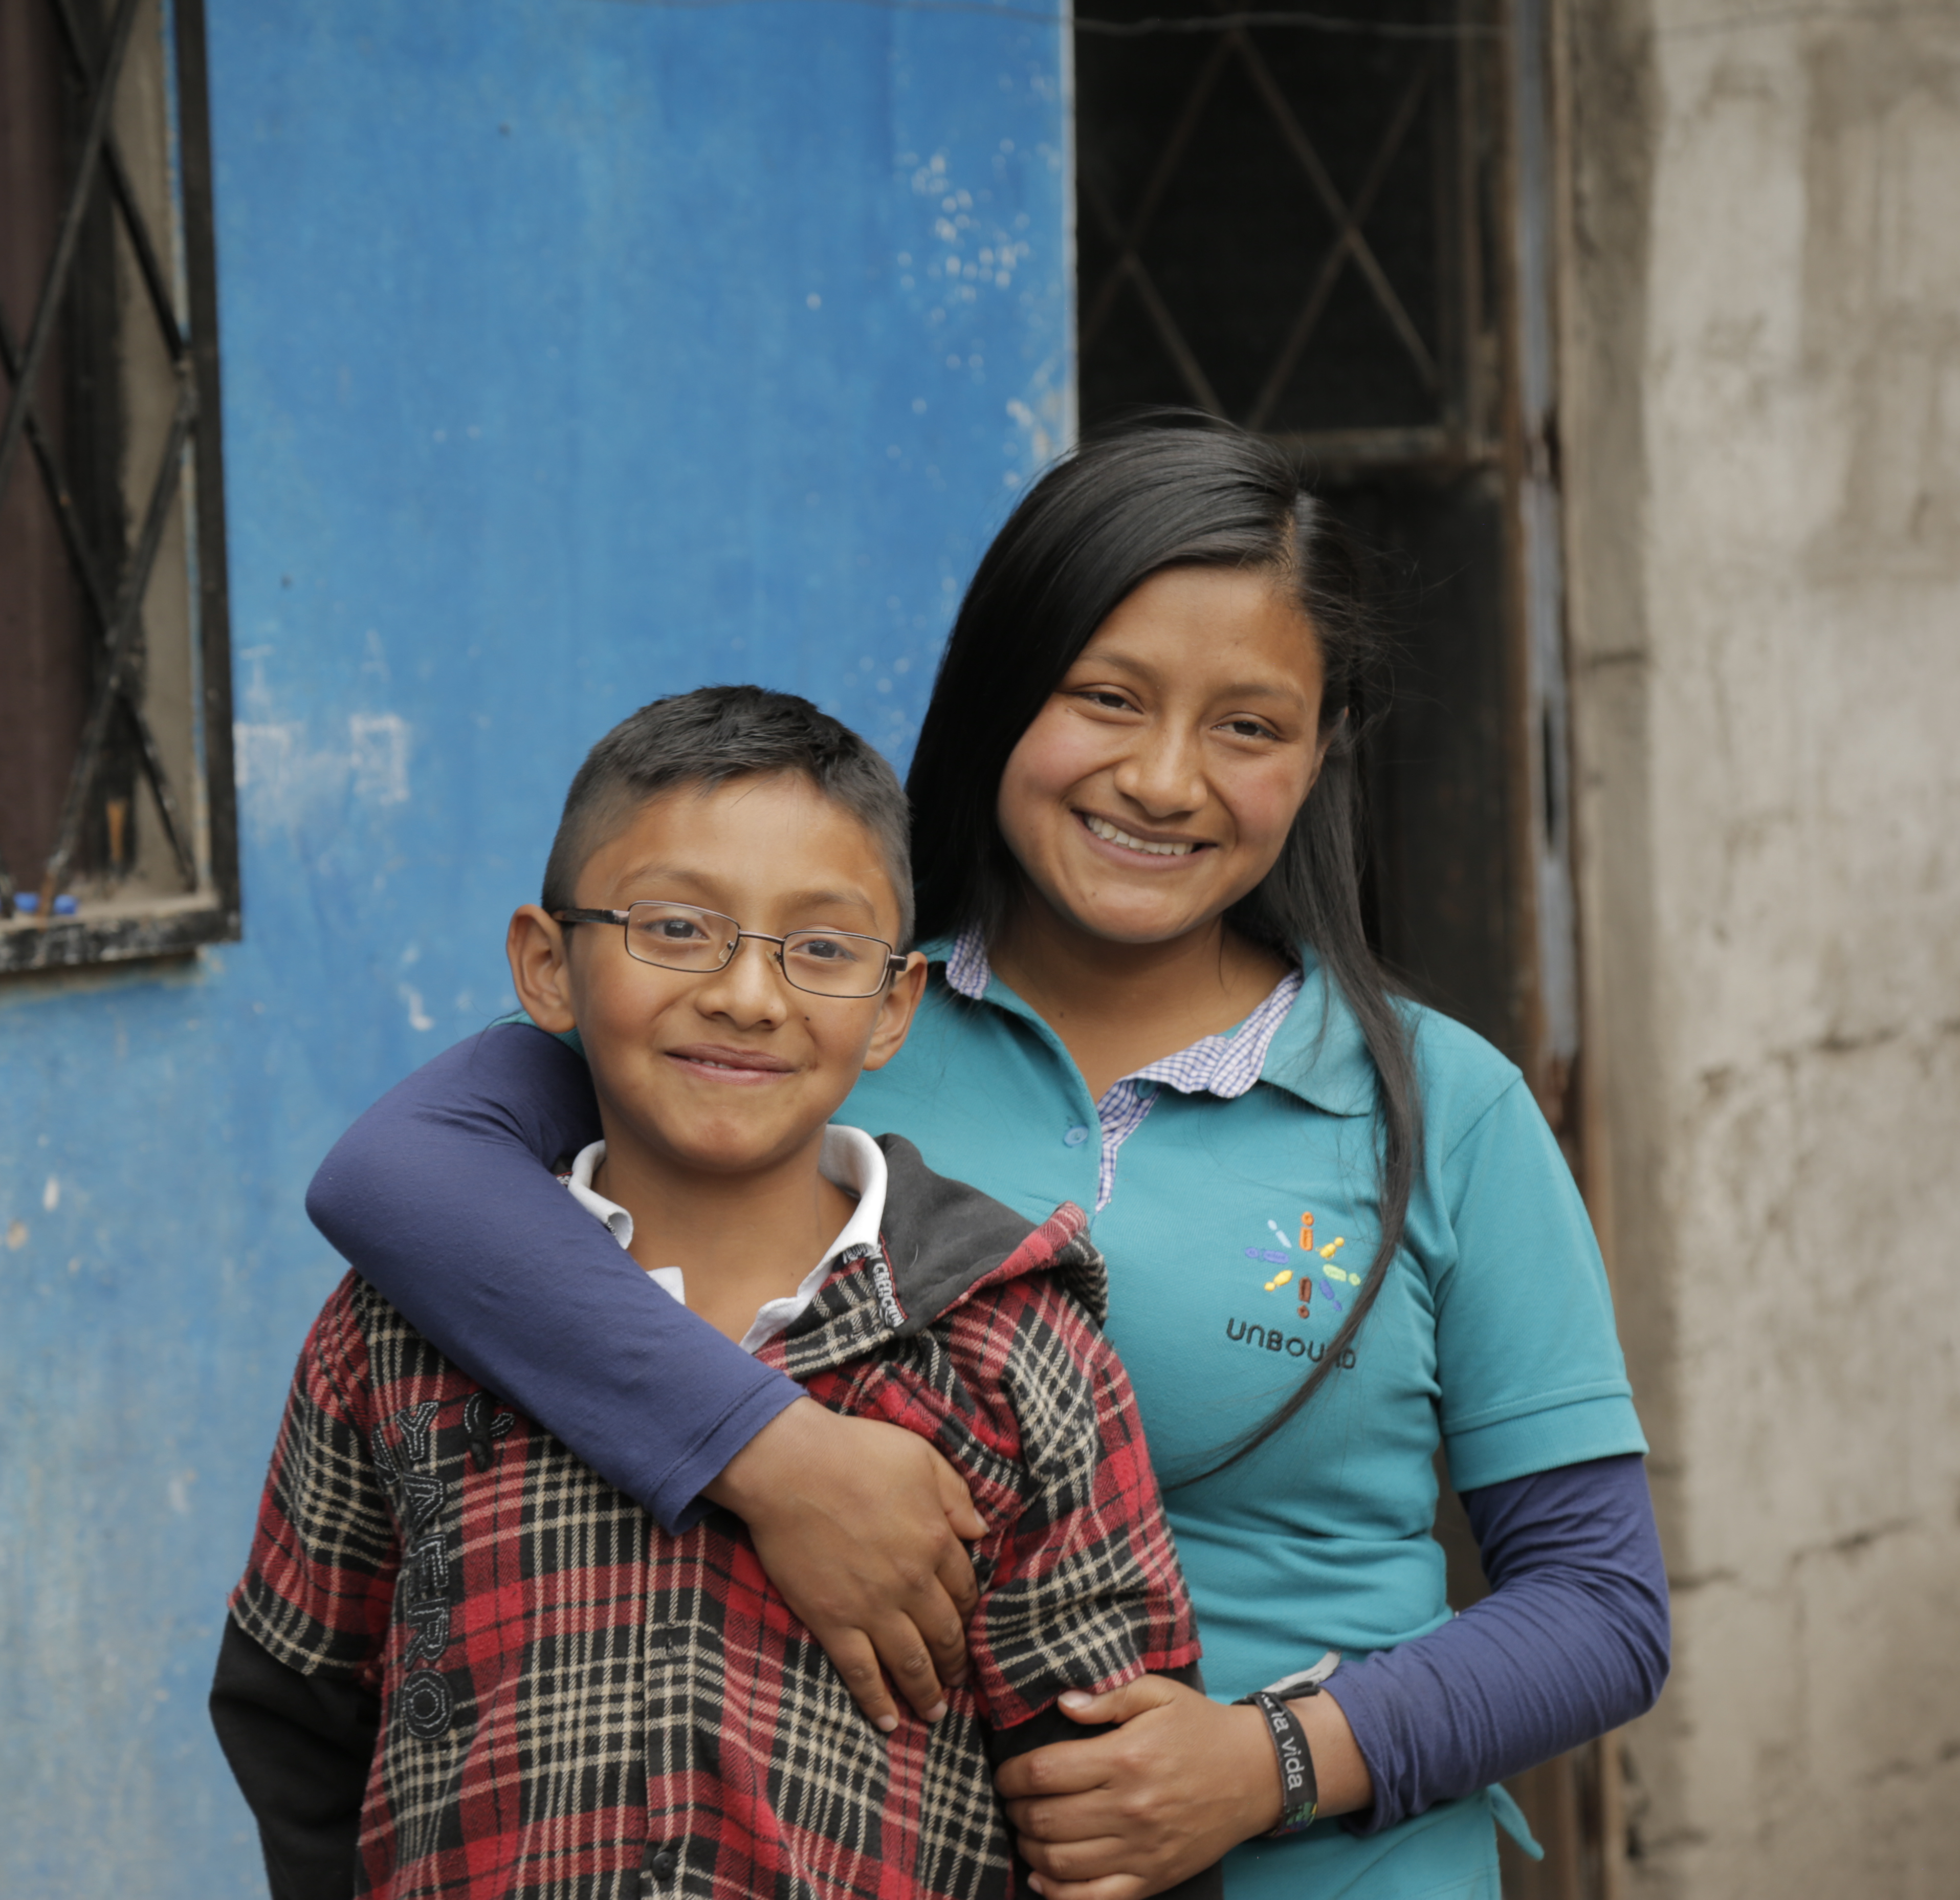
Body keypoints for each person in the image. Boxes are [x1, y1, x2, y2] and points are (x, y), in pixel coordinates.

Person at [307, 418, 1672, 1900]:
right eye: (1107, 698)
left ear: (1323, 752)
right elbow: (396, 1177)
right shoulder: (813, 1019)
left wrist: (1268, 1761)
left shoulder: (1437, 1103)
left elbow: (1602, 1609)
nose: (1165, 779)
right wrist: (778, 1460)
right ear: (1002, 689)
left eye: (1250, 727)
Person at [209, 687, 1209, 1900]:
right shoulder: (398, 1333)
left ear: (893, 1006)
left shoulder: (1013, 1349)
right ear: (548, 965)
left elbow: (1106, 1797)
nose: (747, 993)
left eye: (823, 948)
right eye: (676, 928)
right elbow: (294, 1699)